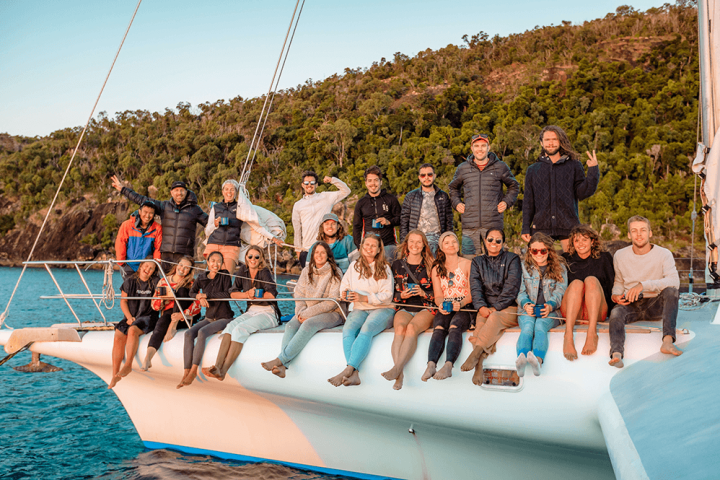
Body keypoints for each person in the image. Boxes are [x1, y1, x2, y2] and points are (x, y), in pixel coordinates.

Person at [261, 242, 345, 378]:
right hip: (306, 310)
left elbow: (331, 302)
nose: (319, 255)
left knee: (308, 324)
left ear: (328, 256)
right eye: (316, 252)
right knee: (290, 325)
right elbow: (299, 293)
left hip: (332, 313)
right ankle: (283, 367)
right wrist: (300, 311)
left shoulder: (335, 272)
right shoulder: (307, 271)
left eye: (323, 252)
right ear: (312, 255)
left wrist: (307, 314)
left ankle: (280, 359)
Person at [608, 216, 681, 368]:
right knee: (615, 313)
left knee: (671, 292)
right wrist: (615, 295)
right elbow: (619, 282)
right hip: (631, 305)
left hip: (655, 303)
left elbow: (674, 282)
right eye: (634, 231)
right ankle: (616, 354)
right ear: (629, 235)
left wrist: (643, 285)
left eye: (643, 230)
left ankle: (667, 342)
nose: (639, 234)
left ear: (650, 233)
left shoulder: (664, 254)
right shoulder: (620, 255)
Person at [203, 246, 281, 381]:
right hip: (251, 311)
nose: (253, 259)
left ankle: (223, 372)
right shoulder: (242, 271)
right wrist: (246, 294)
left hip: (268, 312)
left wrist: (255, 296)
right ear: (246, 258)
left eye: (257, 257)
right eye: (250, 256)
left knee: (240, 329)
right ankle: (217, 366)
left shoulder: (264, 272)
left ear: (261, 258)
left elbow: (272, 295)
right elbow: (233, 293)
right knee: (229, 328)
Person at [328, 234, 394, 387]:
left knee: (367, 328)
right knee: (348, 330)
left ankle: (348, 369)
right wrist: (345, 294)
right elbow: (344, 287)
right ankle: (355, 374)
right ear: (362, 247)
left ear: (378, 250)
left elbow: (387, 296)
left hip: (382, 308)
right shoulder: (354, 267)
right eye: (367, 245)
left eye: (373, 246)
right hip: (359, 309)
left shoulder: (384, 268)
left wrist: (365, 298)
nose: (369, 248)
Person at [521, 125, 600, 252]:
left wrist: (593, 171)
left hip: (568, 225)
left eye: (554, 139)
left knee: (572, 264)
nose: (550, 143)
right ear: (541, 142)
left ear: (561, 141)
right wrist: (525, 227)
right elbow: (528, 201)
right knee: (542, 265)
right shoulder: (533, 170)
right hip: (541, 227)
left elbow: (583, 193)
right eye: (547, 140)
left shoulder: (574, 165)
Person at [460, 229, 522, 385]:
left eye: (498, 240)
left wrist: (496, 308)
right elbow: (475, 287)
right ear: (485, 241)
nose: (493, 243)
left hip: (509, 307)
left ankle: (475, 354)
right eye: (490, 240)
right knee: (480, 325)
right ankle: (479, 365)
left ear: (503, 243)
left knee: (494, 318)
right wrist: (480, 307)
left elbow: (512, 288)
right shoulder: (477, 262)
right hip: (485, 307)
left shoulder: (512, 259)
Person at [111, 175, 208, 272]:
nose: (179, 193)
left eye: (182, 190)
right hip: (166, 255)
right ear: (171, 192)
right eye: (176, 190)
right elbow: (141, 200)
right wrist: (123, 189)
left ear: (186, 192)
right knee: (166, 284)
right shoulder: (164, 206)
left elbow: (209, 223)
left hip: (184, 254)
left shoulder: (195, 210)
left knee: (183, 285)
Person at [449, 133, 519, 256]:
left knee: (495, 262)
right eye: (476, 146)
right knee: (469, 262)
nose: (479, 149)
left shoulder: (501, 167)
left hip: (493, 225)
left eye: (483, 145)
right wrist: (457, 203)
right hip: (470, 225)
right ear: (472, 148)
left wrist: (506, 202)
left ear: (489, 147)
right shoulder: (463, 168)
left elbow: (514, 186)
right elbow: (453, 188)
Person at [382, 230, 435, 390]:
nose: (415, 245)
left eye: (419, 242)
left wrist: (423, 293)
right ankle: (399, 374)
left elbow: (439, 293)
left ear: (424, 245)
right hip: (405, 306)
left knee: (411, 328)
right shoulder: (397, 265)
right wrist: (402, 294)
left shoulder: (432, 264)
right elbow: (391, 293)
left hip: (425, 307)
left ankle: (397, 370)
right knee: (399, 328)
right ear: (406, 244)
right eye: (412, 241)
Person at [177, 251, 234, 388]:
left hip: (224, 317)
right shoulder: (202, 277)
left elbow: (227, 293)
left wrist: (205, 295)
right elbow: (192, 292)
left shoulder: (225, 275)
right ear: (207, 262)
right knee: (188, 333)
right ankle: (186, 372)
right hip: (209, 317)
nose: (216, 264)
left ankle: (194, 371)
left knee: (202, 333)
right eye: (213, 261)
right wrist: (198, 297)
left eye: (219, 261)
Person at [421, 232, 473, 381]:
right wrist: (441, 305)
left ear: (458, 245)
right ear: (441, 248)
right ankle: (431, 364)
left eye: (454, 242)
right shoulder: (437, 268)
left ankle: (449, 365)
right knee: (439, 327)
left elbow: (472, 291)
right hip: (446, 304)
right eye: (447, 243)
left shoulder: (467, 264)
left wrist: (461, 303)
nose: (451, 245)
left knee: (455, 326)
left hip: (465, 305)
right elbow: (438, 295)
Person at [515, 233, 568, 377]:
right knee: (527, 327)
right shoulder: (523, 267)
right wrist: (526, 304)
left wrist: (550, 306)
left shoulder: (560, 268)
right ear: (529, 251)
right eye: (534, 251)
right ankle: (521, 358)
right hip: (527, 309)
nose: (539, 254)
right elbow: (519, 291)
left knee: (540, 326)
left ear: (549, 251)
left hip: (552, 310)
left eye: (543, 250)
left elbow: (560, 291)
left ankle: (537, 360)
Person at [560, 224, 615, 360]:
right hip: (573, 311)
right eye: (577, 240)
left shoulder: (604, 258)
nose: (580, 244)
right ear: (572, 242)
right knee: (577, 283)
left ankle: (592, 333)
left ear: (592, 241)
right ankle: (568, 335)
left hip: (596, 311)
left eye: (585, 239)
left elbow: (612, 284)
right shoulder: (566, 259)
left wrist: (615, 312)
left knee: (591, 280)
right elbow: (559, 287)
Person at [142, 256, 201, 371]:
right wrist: (163, 299)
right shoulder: (164, 281)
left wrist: (182, 314)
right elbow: (154, 306)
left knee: (182, 290)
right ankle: (147, 358)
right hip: (168, 314)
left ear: (190, 271)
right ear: (177, 265)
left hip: (184, 316)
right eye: (181, 265)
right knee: (160, 325)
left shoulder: (192, 283)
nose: (182, 269)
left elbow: (198, 306)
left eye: (186, 268)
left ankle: (173, 326)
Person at [108, 258, 159, 389]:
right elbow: (123, 302)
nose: (147, 269)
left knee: (132, 330)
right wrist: (129, 317)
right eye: (146, 266)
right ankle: (115, 374)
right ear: (141, 266)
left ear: (153, 272)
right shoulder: (129, 281)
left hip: (147, 317)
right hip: (132, 316)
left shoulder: (155, 282)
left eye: (151, 268)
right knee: (119, 334)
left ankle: (128, 365)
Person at [292, 171, 351, 268]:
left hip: (325, 248)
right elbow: (297, 229)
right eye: (306, 183)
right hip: (306, 250)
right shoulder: (298, 205)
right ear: (303, 185)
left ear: (317, 184)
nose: (309, 185)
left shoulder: (326, 197)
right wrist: (298, 252)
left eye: (312, 182)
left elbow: (346, 191)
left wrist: (332, 180)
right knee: (310, 281)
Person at [400, 163, 453, 252]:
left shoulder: (443, 196)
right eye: (423, 175)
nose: (426, 177)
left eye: (430, 174)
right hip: (417, 240)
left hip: (437, 240)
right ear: (419, 177)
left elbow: (449, 221)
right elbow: (404, 222)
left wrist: (448, 239)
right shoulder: (410, 196)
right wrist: (404, 244)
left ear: (434, 176)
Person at [352, 165, 401, 258]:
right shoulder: (361, 203)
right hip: (369, 246)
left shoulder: (391, 199)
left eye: (376, 180)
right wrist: (359, 246)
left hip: (388, 244)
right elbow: (356, 226)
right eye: (369, 181)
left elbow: (401, 219)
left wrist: (388, 221)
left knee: (390, 270)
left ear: (381, 182)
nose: (373, 183)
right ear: (366, 183)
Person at [203, 179, 243, 274]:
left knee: (226, 278)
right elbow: (207, 231)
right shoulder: (216, 207)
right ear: (222, 191)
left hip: (231, 246)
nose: (229, 192)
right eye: (226, 189)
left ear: (236, 192)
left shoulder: (241, 208)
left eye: (232, 189)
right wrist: (215, 225)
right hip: (214, 244)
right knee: (213, 277)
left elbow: (254, 223)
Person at [115, 200, 162, 278]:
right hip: (129, 265)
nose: (148, 215)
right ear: (139, 211)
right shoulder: (127, 225)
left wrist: (155, 265)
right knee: (128, 289)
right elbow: (120, 243)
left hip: (147, 267)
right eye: (145, 212)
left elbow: (158, 248)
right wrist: (121, 262)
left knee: (147, 289)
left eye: (151, 213)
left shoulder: (157, 228)